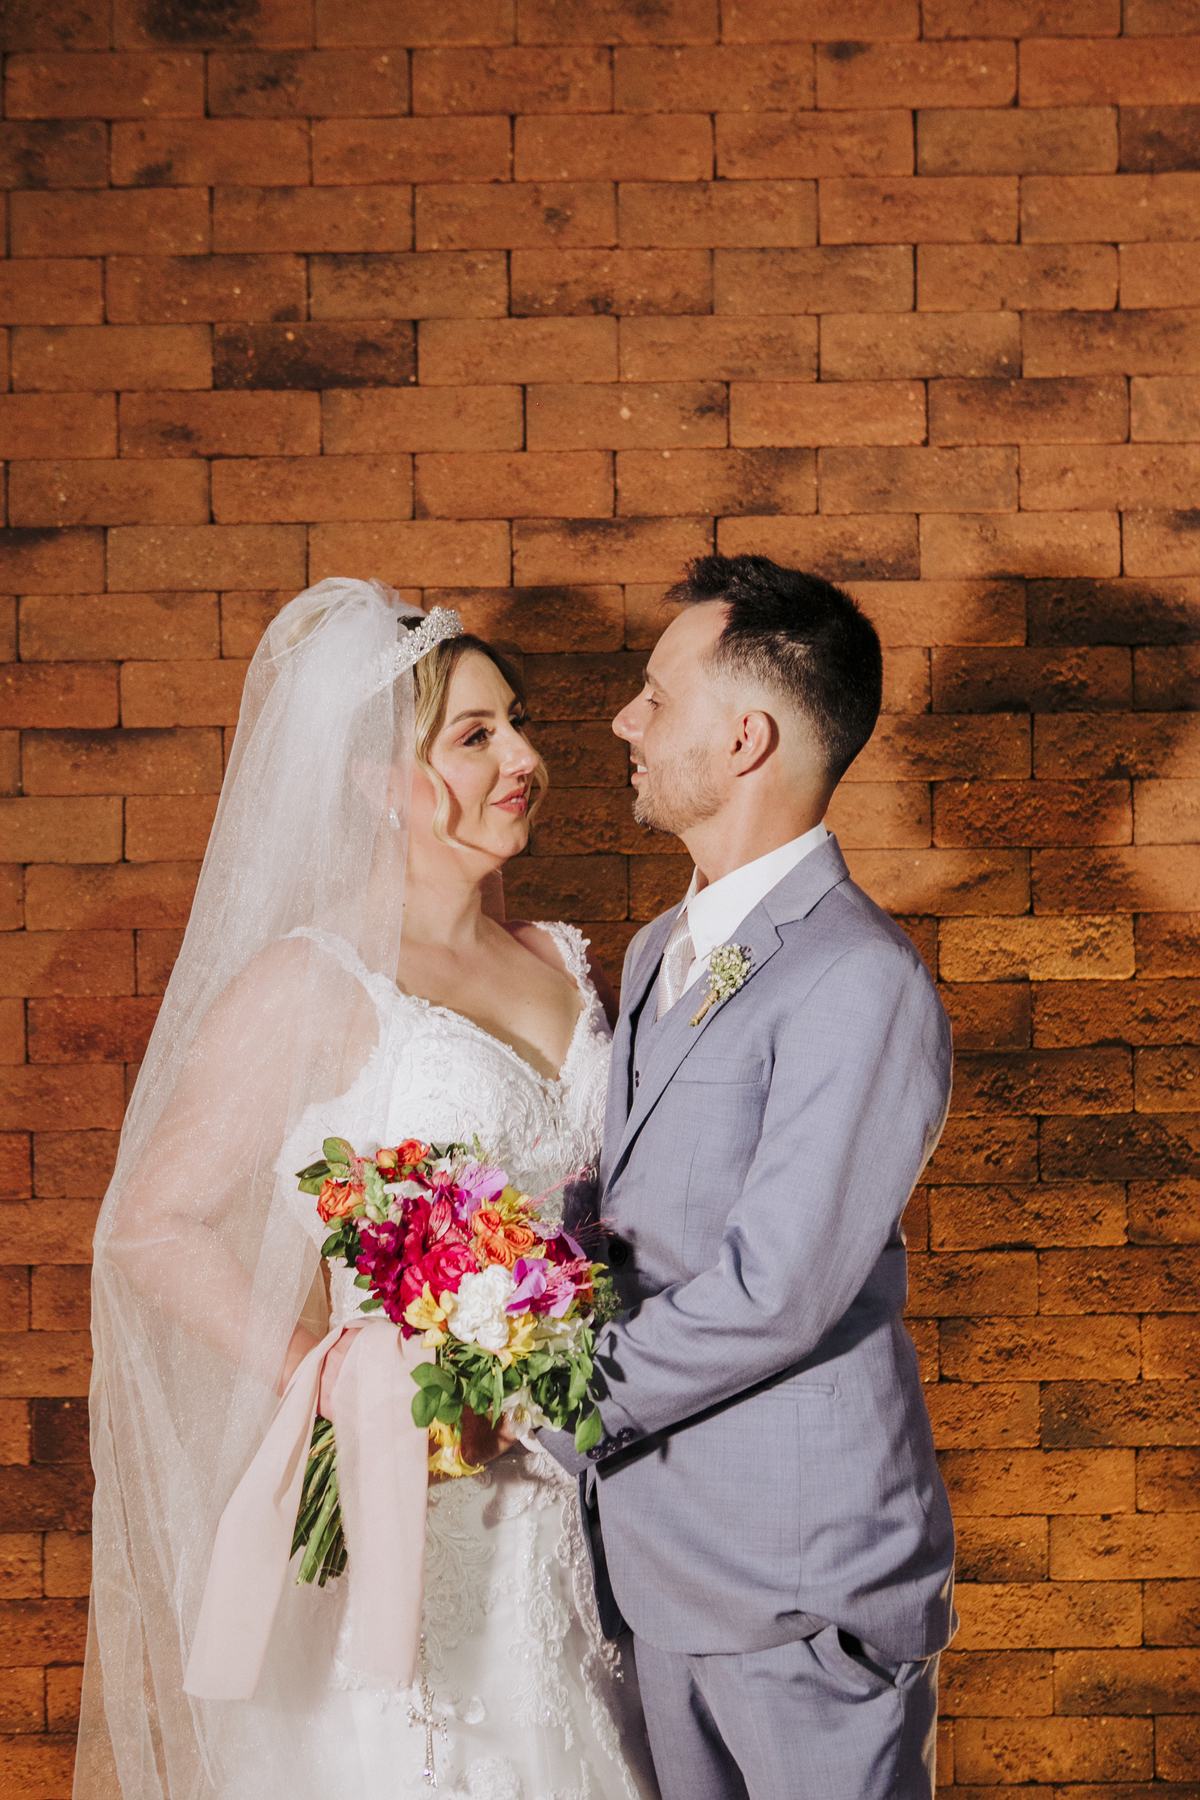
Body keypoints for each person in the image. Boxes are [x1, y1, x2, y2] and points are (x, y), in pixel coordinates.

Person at [77, 579, 658, 1800]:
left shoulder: (560, 961)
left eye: (518, 725)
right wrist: (331, 1374)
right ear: (375, 779)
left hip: (575, 1497)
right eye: (476, 735)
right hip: (415, 1493)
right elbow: (150, 1225)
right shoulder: (313, 983)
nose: (524, 759)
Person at [544, 554, 956, 1800]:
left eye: (656, 696)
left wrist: (548, 1398)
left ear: (745, 738)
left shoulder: (859, 977)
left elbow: (776, 1290)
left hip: (798, 1581)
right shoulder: (661, 947)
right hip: (665, 1563)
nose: (625, 721)